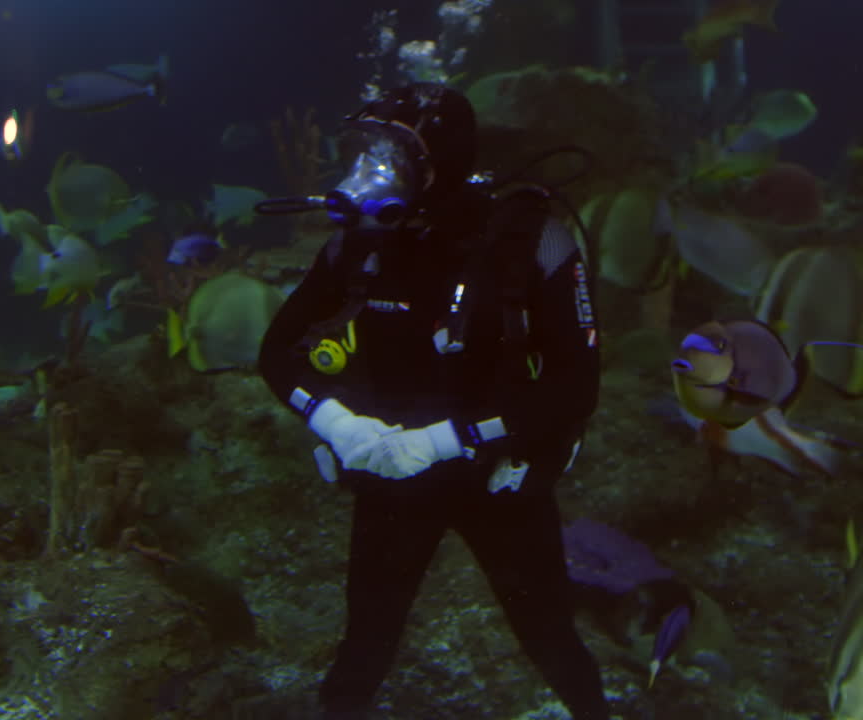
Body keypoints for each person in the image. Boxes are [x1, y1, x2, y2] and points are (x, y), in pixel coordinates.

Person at [257, 83, 606, 719]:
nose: (368, 170)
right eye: (363, 150)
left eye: (389, 153)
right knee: (364, 645)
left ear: (438, 159)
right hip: (390, 471)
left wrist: (450, 440)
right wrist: (336, 423)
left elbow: (576, 385)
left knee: (550, 637)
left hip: (501, 476)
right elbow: (275, 353)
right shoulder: (358, 245)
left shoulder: (533, 240)